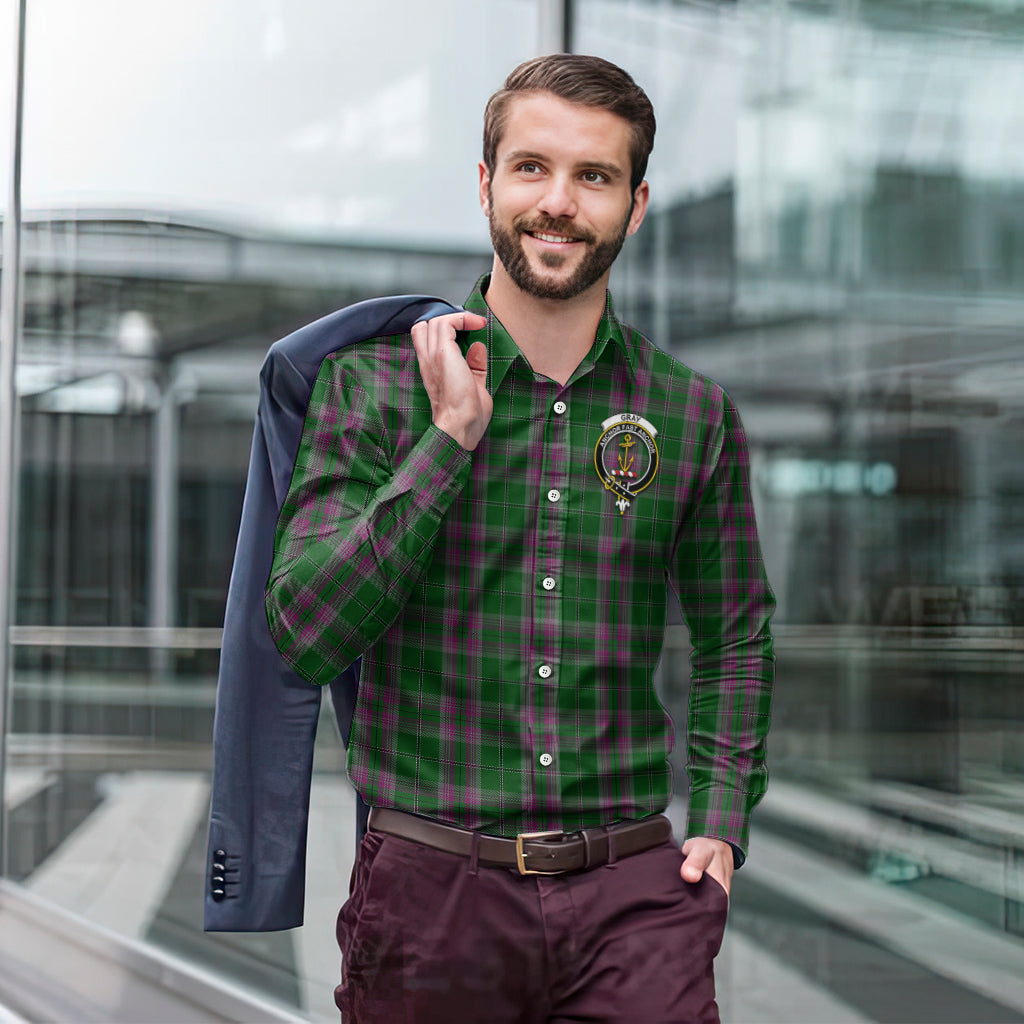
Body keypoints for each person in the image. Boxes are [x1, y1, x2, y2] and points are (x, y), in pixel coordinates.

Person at [265, 53, 775, 1024]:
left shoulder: (692, 414)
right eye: (532, 167)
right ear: (486, 182)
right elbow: (306, 632)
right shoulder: (371, 389)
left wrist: (717, 818)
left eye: (595, 176)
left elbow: (735, 633)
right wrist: (449, 438)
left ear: (636, 203)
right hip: (431, 897)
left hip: (634, 898)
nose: (559, 202)